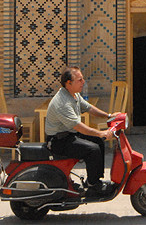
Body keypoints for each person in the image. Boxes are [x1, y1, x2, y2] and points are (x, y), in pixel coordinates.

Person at [44, 66, 118, 196]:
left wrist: (109, 116)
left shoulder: (74, 95)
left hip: (68, 135)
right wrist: (101, 133)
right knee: (92, 149)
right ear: (69, 83)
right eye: (79, 80)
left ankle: (94, 181)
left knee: (98, 142)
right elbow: (78, 126)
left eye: (82, 79)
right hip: (58, 141)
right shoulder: (63, 102)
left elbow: (89, 108)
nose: (83, 82)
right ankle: (93, 187)